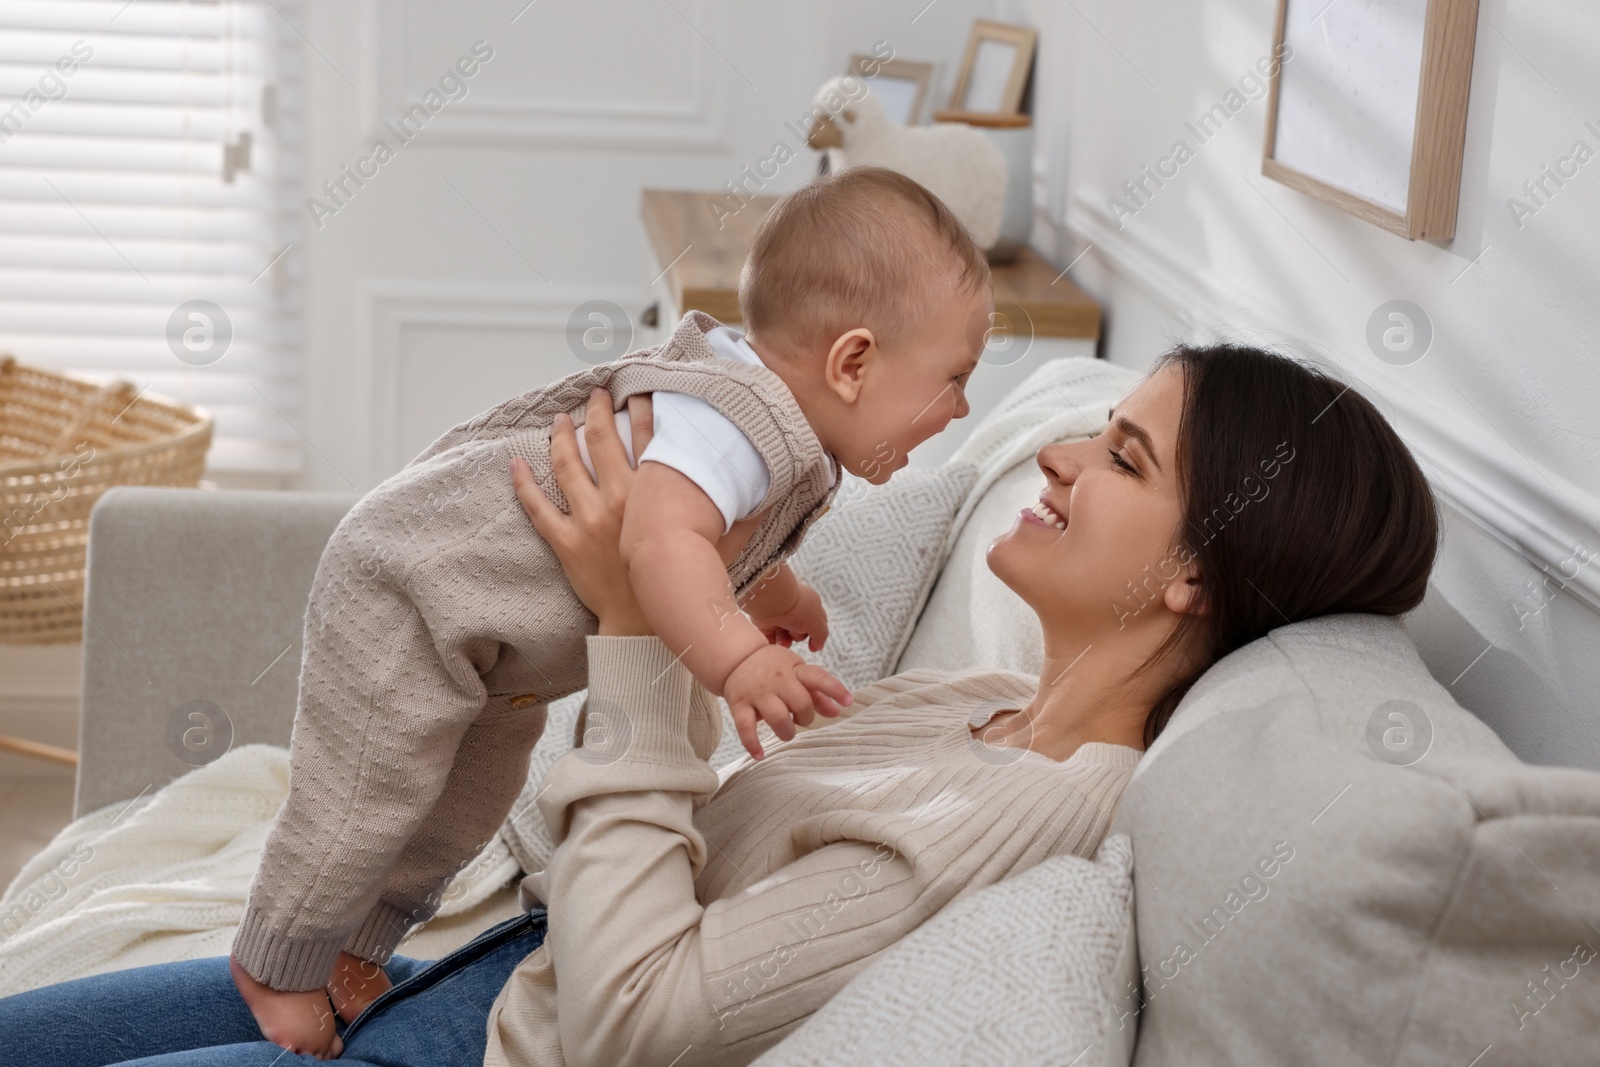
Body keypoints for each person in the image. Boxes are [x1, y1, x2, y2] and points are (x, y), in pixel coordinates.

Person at [0, 339, 1438, 1067]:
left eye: (1121, 455)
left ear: (1196, 569)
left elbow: (637, 1009)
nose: (1059, 455)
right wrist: (707, 623)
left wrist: (638, 624)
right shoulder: (981, 705)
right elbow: (684, 821)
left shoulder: (1038, 812)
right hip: (471, 967)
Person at [226, 166, 996, 1055]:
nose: (963, 409)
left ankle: (354, 950)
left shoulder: (775, 439)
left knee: (460, 806)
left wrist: (779, 591)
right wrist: (741, 657)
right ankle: (276, 956)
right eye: (956, 379)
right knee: (368, 789)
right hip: (412, 587)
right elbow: (663, 545)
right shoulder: (737, 423)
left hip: (493, 647)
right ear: (853, 361)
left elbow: (712, 538)